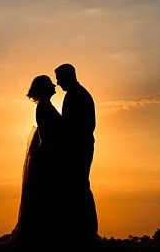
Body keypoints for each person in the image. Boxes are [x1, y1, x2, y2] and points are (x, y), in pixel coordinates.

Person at [11, 75, 64, 246]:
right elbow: (50, 133)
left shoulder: (45, 106)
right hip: (47, 155)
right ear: (43, 89)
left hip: (47, 153)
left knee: (44, 195)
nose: (54, 86)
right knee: (44, 195)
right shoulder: (45, 107)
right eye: (49, 84)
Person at [55, 63, 98, 245]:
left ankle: (88, 233)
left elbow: (81, 126)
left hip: (80, 148)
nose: (57, 83)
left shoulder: (79, 95)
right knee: (76, 189)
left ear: (68, 76)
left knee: (80, 188)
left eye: (59, 78)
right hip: (77, 147)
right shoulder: (75, 94)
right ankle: (80, 232)